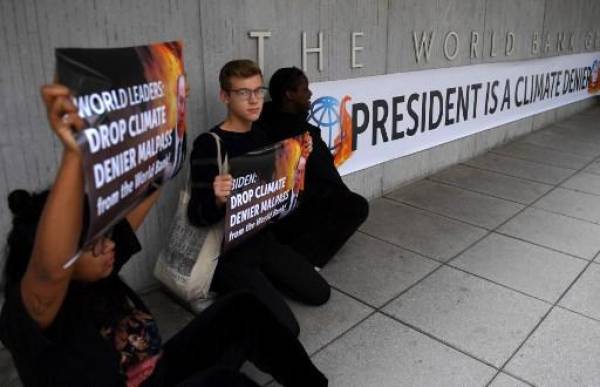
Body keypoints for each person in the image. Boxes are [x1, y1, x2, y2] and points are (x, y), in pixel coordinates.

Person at [0, 84, 328, 387]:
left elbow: (149, 189)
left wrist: (165, 137)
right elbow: (51, 261)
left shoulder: (96, 269)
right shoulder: (31, 313)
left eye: (104, 233)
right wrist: (75, 152)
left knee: (243, 310)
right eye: (91, 242)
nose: (108, 244)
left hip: (160, 374)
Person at [188, 60, 330, 337]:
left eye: (257, 90)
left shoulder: (261, 133)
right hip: (228, 253)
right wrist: (216, 198)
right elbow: (196, 215)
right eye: (243, 93)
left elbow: (281, 195)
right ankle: (228, 292)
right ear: (225, 96)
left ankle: (260, 285)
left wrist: (300, 161)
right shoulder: (210, 144)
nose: (254, 100)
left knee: (319, 293)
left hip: (263, 238)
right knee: (286, 328)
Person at [258, 67, 369, 268]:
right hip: (287, 216)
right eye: (304, 89)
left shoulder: (262, 120)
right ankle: (306, 263)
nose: (310, 94)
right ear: (289, 95)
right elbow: (328, 179)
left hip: (265, 216)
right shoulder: (304, 136)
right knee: (356, 206)